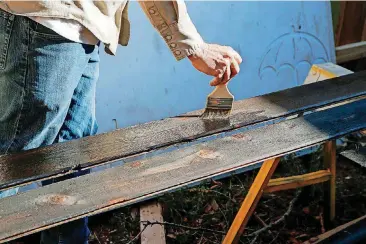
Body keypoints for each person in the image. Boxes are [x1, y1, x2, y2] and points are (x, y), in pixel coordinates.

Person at [0, 0, 242, 243]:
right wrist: (193, 46)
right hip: (50, 22)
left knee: (72, 157)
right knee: (13, 159)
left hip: (81, 28)